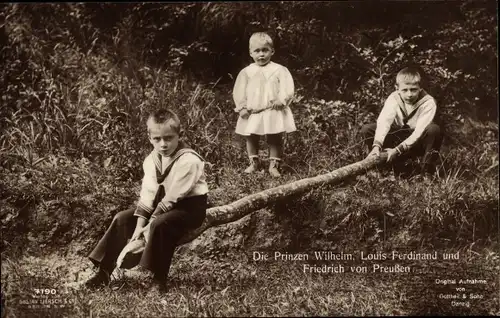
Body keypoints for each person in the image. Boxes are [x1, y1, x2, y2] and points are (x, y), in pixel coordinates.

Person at [84, 109, 209, 293]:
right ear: (149, 137)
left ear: (179, 136)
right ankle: (104, 272)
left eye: (168, 138)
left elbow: (174, 196)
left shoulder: (189, 160)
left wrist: (149, 225)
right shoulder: (152, 160)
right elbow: (148, 193)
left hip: (189, 208)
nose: (163, 144)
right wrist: (138, 227)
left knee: (160, 224)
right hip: (161, 204)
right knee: (122, 219)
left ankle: (158, 281)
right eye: (157, 139)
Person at [232, 32, 297, 177]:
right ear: (250, 53)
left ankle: (274, 164)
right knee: (251, 135)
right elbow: (239, 91)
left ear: (272, 51)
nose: (261, 54)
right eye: (257, 51)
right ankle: (253, 162)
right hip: (252, 111)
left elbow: (287, 87)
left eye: (265, 50)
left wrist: (282, 100)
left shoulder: (279, 70)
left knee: (274, 136)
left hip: (272, 109)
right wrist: (241, 106)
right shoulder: (247, 72)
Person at [360, 66, 443, 177]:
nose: (409, 94)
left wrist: (397, 150)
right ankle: (379, 165)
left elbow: (419, 132)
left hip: (417, 142)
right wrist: (377, 145)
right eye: (405, 90)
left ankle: (427, 172)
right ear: (397, 88)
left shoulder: (428, 102)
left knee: (434, 130)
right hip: (398, 135)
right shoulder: (394, 98)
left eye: (413, 90)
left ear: (420, 88)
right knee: (368, 129)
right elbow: (384, 121)